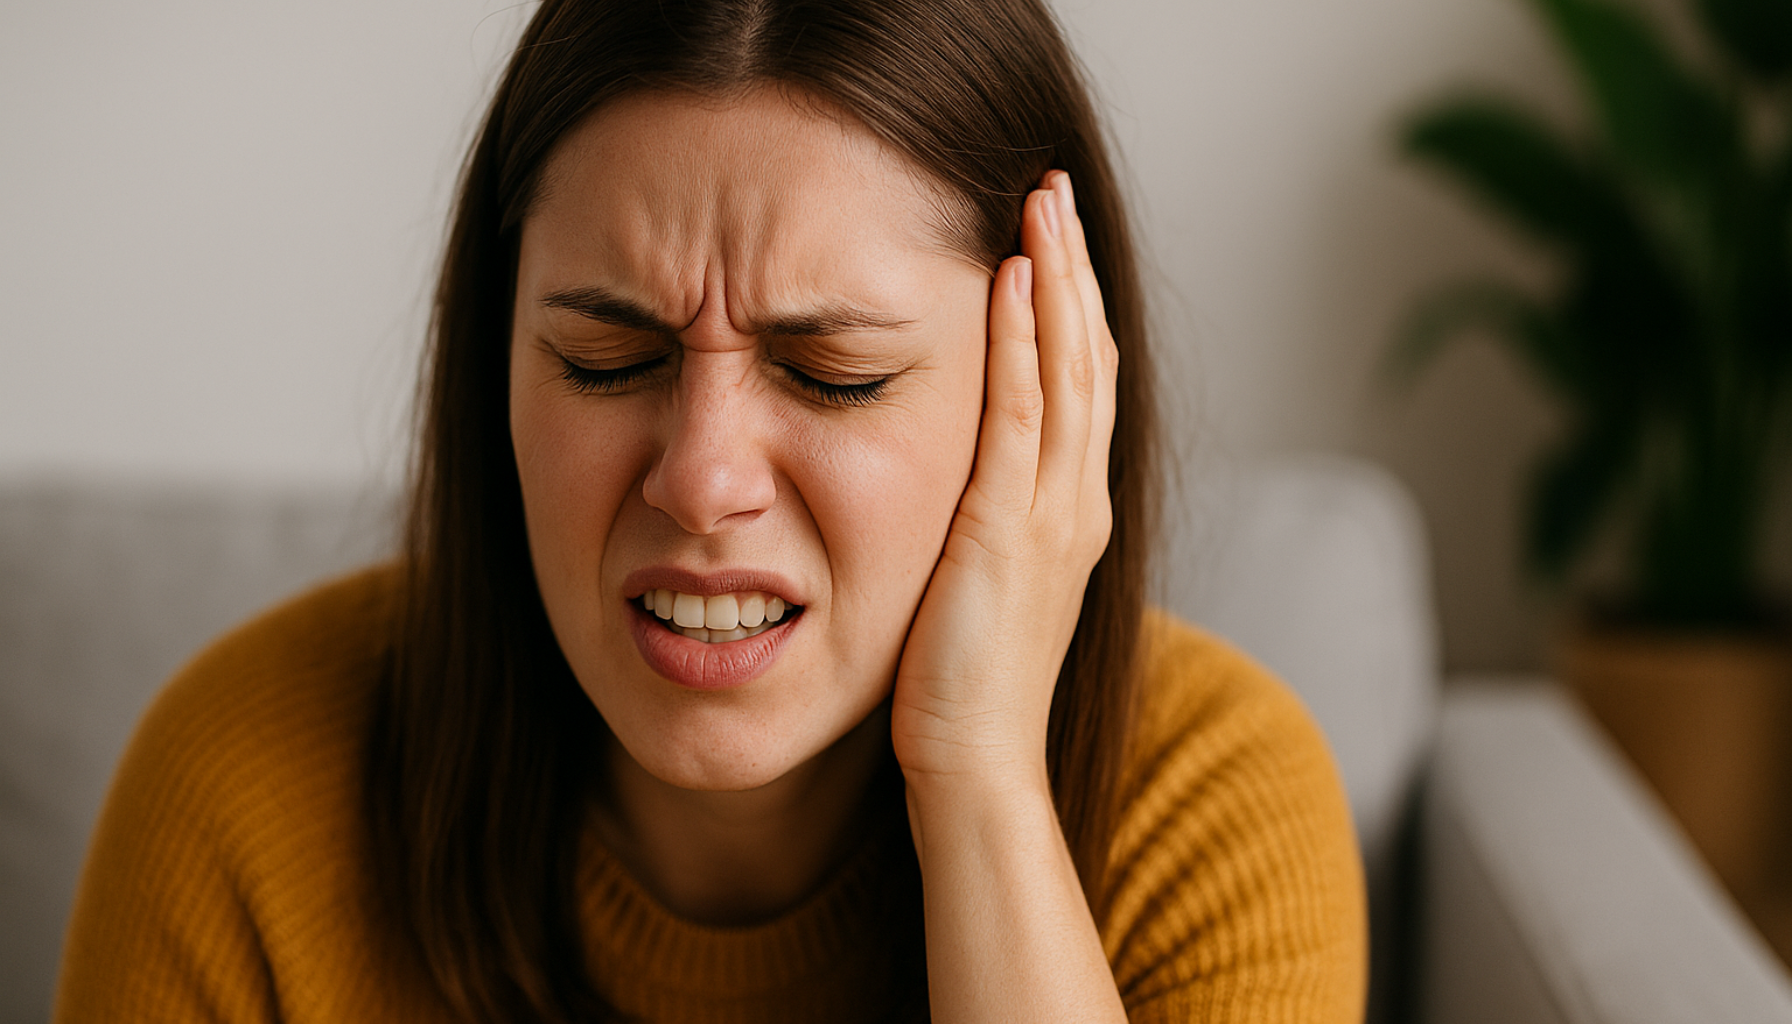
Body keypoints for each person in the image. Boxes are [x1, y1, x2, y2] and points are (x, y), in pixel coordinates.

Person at [55, 0, 1366, 1020]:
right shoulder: (234, 791)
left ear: (1046, 389)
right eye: (606, 362)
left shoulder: (1215, 811)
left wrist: (977, 783)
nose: (702, 478)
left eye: (831, 375)